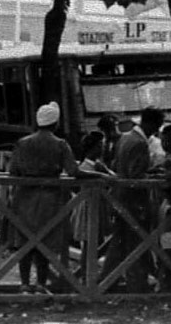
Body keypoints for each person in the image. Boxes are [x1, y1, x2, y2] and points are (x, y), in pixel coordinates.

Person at [7, 102, 108, 294]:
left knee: (25, 241)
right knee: (44, 241)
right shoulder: (60, 144)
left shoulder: (22, 143)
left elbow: (13, 171)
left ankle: (24, 283)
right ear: (55, 123)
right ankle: (41, 283)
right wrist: (100, 175)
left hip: (24, 198)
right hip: (49, 199)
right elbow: (74, 171)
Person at [105, 107, 165, 293]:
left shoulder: (125, 137)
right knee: (136, 242)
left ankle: (107, 280)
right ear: (150, 123)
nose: (156, 130)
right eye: (156, 126)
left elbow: (122, 167)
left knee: (119, 242)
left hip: (120, 197)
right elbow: (135, 176)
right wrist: (156, 178)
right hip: (134, 200)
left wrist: (150, 172)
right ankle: (136, 283)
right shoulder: (139, 143)